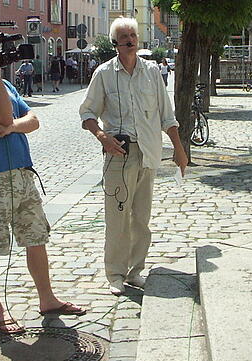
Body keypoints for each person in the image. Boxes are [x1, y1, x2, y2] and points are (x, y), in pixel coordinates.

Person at [0, 22, 85, 334]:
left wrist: (12, 126)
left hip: (22, 172)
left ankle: (47, 299)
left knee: (36, 238)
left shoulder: (8, 86)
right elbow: (0, 115)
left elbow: (33, 120)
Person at [79, 17, 189, 296]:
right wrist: (102, 137)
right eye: (124, 36)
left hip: (148, 152)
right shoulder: (104, 73)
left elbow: (167, 115)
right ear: (115, 43)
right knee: (117, 217)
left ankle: (135, 270)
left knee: (141, 218)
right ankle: (115, 273)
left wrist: (179, 149)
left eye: (133, 35)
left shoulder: (152, 72)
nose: (130, 40)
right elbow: (87, 113)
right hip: (119, 155)